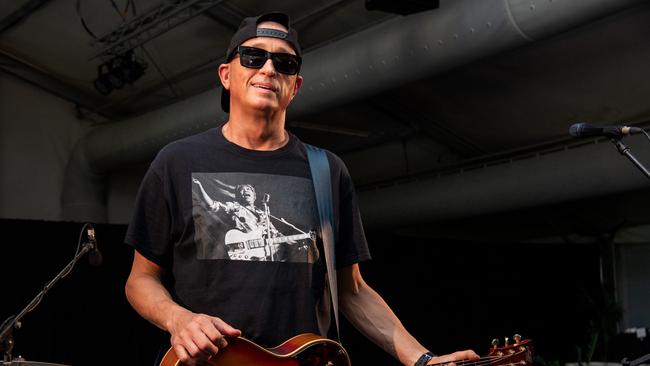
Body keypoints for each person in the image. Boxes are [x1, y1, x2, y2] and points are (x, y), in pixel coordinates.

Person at [124, 11, 479, 366]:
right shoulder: (177, 161)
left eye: (285, 62)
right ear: (226, 75)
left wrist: (423, 359)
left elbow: (350, 290)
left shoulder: (326, 171)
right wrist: (178, 319)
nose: (268, 69)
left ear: (295, 86)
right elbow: (140, 280)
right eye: (253, 56)